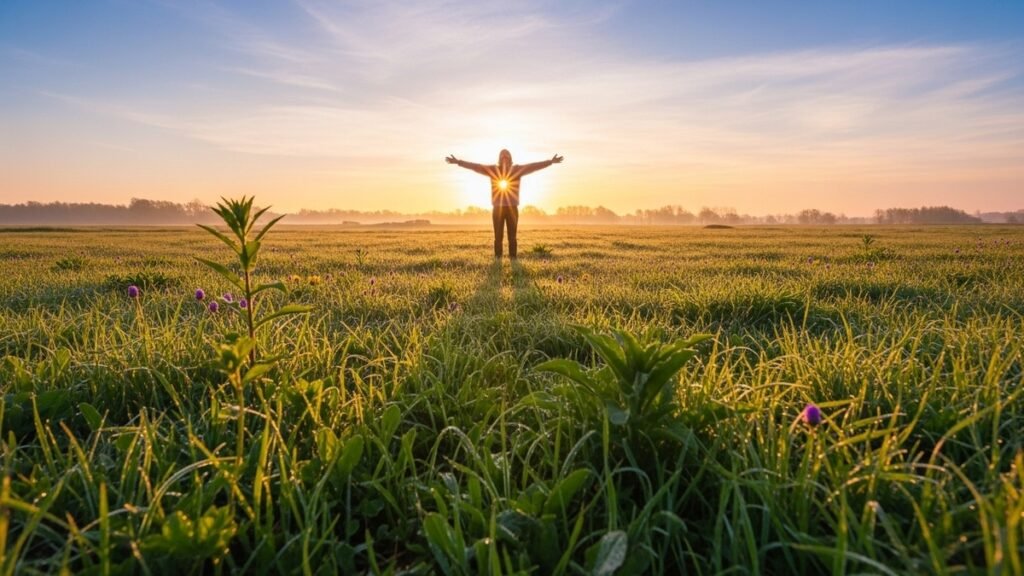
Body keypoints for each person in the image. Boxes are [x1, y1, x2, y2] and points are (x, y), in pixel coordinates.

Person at [446, 149, 563, 259]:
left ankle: (513, 259)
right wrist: (458, 162)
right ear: (500, 159)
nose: (505, 159)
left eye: (507, 157)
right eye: (502, 157)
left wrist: (550, 162)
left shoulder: (517, 170)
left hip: (512, 208)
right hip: (498, 208)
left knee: (512, 237)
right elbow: (476, 167)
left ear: (510, 159)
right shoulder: (493, 170)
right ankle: (498, 259)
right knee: (498, 237)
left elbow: (533, 166)